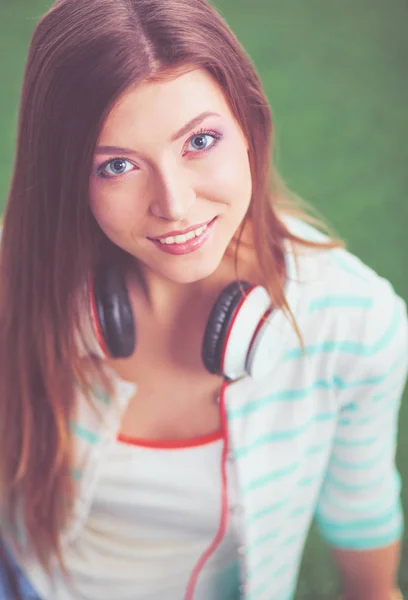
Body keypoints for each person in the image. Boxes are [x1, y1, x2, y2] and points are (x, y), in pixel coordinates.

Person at [0, 0, 407, 599]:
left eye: (200, 141)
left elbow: (366, 547)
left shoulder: (357, 324)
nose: (175, 205)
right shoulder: (22, 274)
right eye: (116, 165)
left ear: (248, 124)